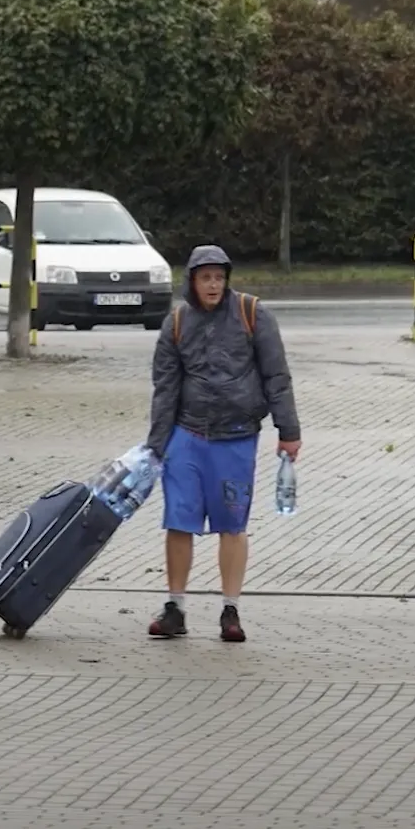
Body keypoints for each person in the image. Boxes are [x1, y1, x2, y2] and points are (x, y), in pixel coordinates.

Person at [144, 245, 301, 643]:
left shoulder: (253, 314)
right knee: (178, 521)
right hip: (187, 437)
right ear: (192, 281)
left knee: (233, 524)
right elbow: (165, 390)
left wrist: (289, 431)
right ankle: (175, 607)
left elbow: (276, 376)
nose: (213, 285)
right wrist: (156, 447)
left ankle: (230, 610)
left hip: (237, 438)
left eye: (219, 277)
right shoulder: (176, 322)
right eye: (205, 278)